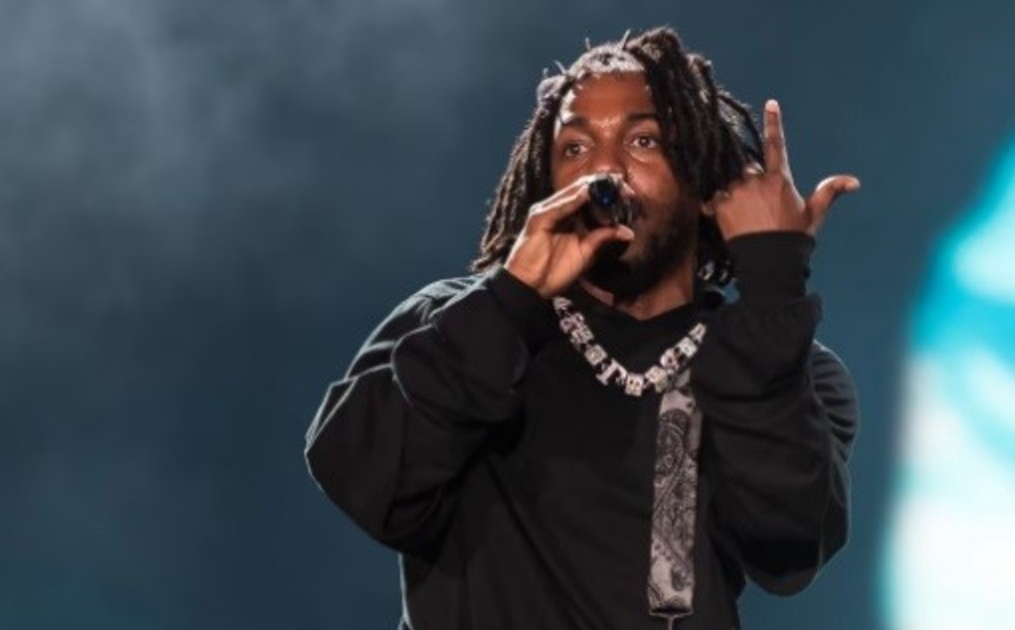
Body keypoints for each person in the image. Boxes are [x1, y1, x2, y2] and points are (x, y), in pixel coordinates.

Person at [304, 25, 860, 630]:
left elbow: (790, 547)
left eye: (643, 141)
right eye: (575, 149)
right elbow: (367, 484)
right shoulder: (452, 321)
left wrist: (772, 286)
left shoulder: (785, 367)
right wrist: (509, 301)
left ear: (702, 181)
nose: (605, 171)